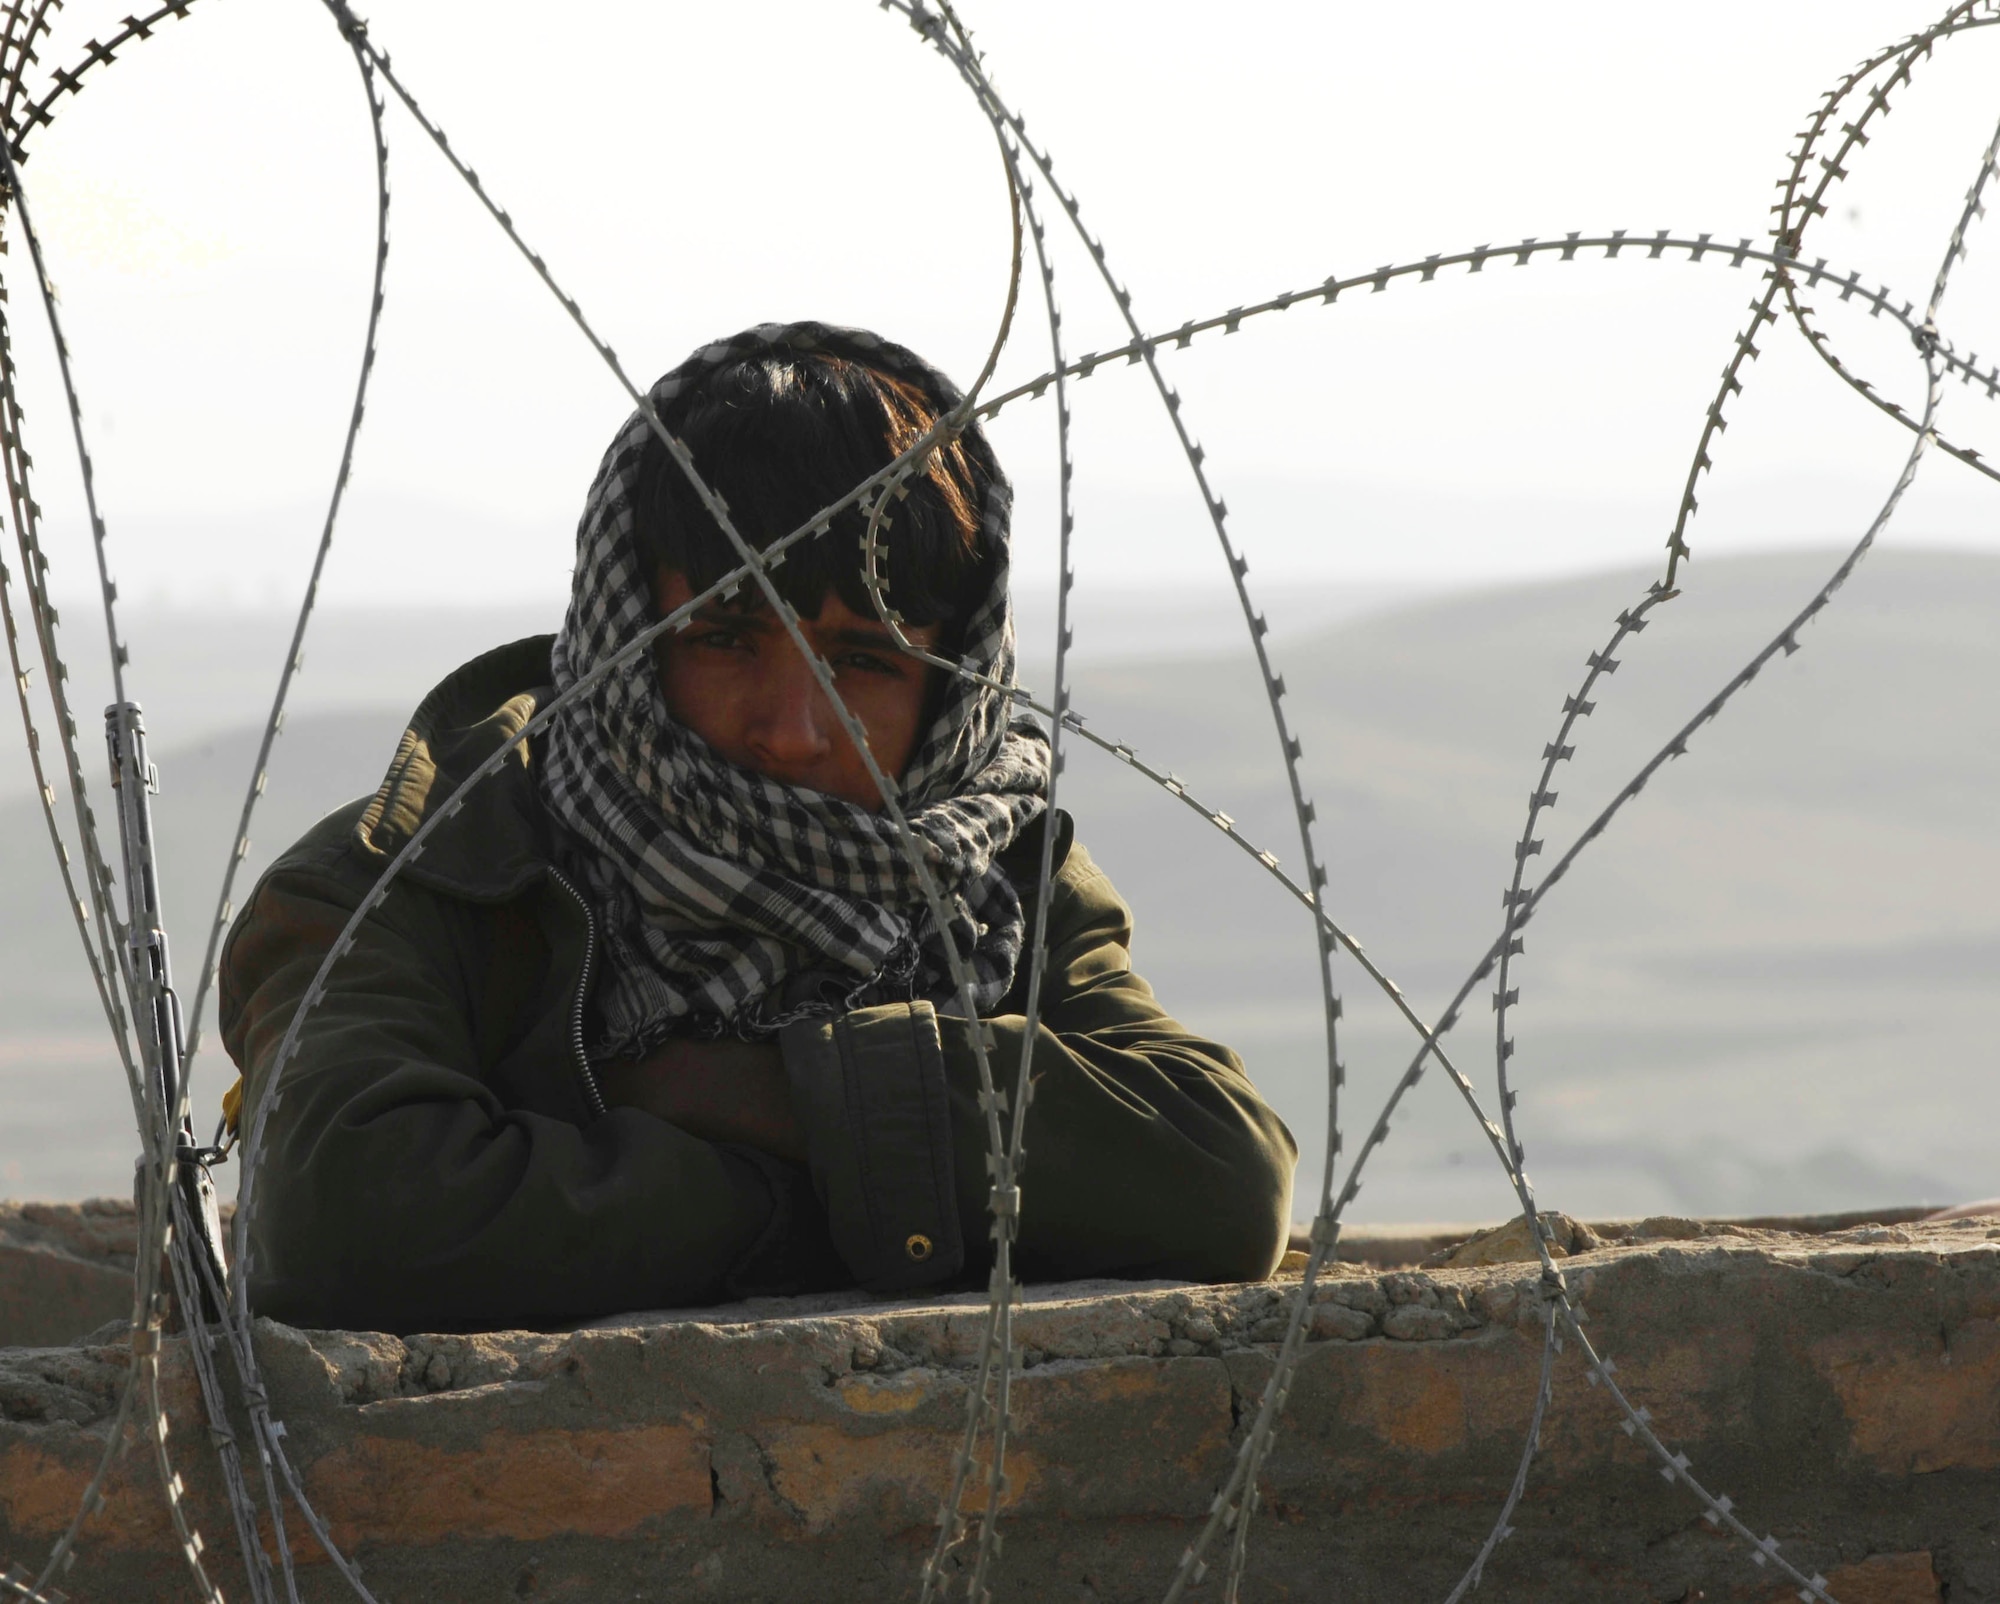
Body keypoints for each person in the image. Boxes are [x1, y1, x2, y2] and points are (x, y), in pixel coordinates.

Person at [217, 322, 1296, 1334]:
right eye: (728, 638)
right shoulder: (426, 870)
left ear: (952, 679)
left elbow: (1220, 1178)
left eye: (865, 660)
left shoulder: (995, 872)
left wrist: (755, 1090)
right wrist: (814, 1195)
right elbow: (341, 1221)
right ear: (627, 632)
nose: (789, 731)